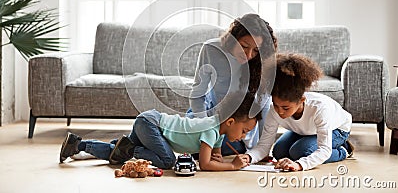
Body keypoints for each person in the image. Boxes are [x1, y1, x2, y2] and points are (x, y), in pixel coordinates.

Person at [60, 91, 261, 171]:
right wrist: (232, 166)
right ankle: (131, 151)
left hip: (148, 121)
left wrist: (222, 159)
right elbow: (206, 164)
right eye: (244, 131)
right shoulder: (211, 129)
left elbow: (214, 156)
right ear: (231, 121)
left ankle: (78, 144)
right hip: (151, 125)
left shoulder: (218, 131)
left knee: (118, 153)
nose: (243, 137)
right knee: (168, 161)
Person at [242, 53, 354, 171]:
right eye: (276, 105)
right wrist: (248, 157)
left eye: (286, 108)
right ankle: (304, 146)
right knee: (279, 152)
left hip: (337, 129)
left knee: (301, 152)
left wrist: (299, 165)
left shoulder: (319, 109)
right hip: (305, 131)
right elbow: (264, 145)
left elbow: (324, 150)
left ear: (301, 100)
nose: (279, 112)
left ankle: (343, 150)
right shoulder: (274, 110)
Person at [187, 13, 277, 155]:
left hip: (238, 125)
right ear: (233, 39)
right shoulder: (211, 49)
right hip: (210, 116)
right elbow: (198, 94)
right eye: (244, 46)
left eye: (255, 51)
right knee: (188, 140)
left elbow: (263, 106)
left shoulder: (265, 61)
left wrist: (262, 148)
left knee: (225, 146)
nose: (248, 55)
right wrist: (205, 127)